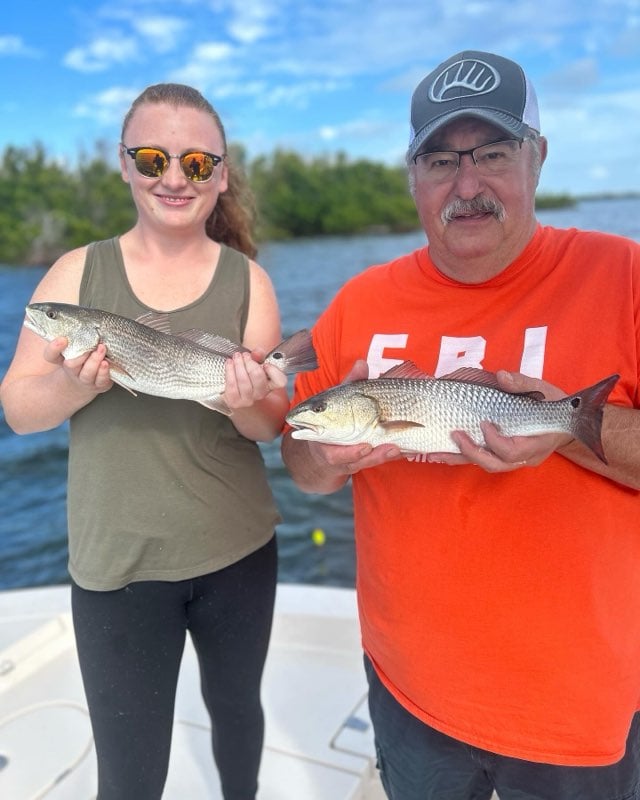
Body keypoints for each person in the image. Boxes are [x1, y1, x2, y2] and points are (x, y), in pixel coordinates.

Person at [282, 50, 640, 800]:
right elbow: (300, 450)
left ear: (537, 158)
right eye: (441, 160)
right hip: (408, 694)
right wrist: (325, 459)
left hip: (578, 713)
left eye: (492, 154)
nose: (466, 185)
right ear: (412, 177)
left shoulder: (624, 276)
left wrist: (579, 431)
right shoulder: (358, 301)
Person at [0, 83, 290, 800]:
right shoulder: (75, 275)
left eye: (196, 164)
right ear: (126, 164)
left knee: (236, 719)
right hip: (116, 566)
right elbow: (17, 409)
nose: (173, 177)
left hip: (238, 550)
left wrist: (245, 399)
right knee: (128, 777)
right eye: (155, 157)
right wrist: (80, 383)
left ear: (219, 176)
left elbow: (271, 424)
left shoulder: (250, 281)